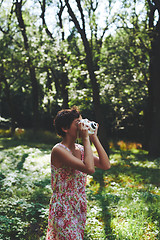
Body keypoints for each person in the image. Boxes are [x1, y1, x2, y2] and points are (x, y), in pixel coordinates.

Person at [46, 106, 110, 240]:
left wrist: (94, 138)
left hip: (78, 205)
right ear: (65, 128)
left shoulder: (81, 150)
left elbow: (105, 165)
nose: (82, 127)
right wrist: (86, 139)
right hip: (63, 206)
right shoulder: (59, 150)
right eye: (78, 124)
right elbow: (89, 169)